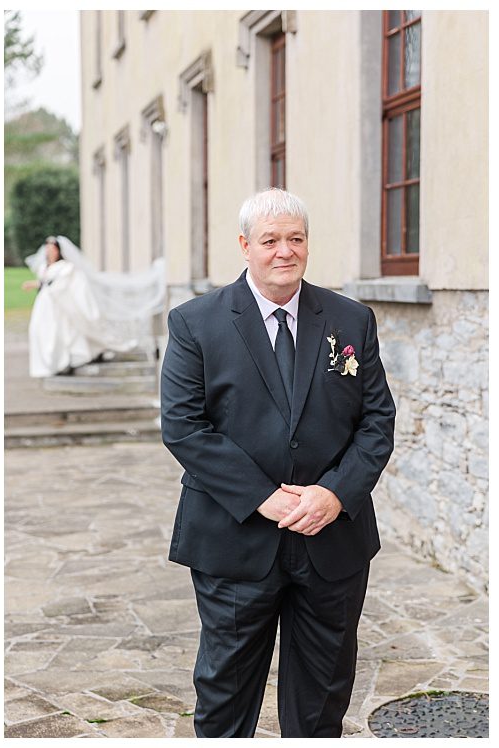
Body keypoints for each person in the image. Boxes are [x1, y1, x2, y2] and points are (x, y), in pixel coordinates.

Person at [159, 188, 395, 737]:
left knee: (323, 697)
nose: (284, 251)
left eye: (295, 239)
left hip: (332, 539)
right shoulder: (196, 323)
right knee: (225, 693)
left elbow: (377, 422)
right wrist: (265, 498)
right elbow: (184, 427)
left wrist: (334, 495)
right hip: (234, 540)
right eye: (270, 241)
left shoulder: (351, 320)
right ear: (245, 246)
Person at [22, 235, 166, 378]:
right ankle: (49, 364)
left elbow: (64, 287)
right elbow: (45, 283)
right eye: (48, 249)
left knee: (61, 333)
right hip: (46, 306)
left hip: (60, 308)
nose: (49, 252)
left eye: (52, 249)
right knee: (41, 331)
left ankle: (64, 362)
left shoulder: (66, 268)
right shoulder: (45, 267)